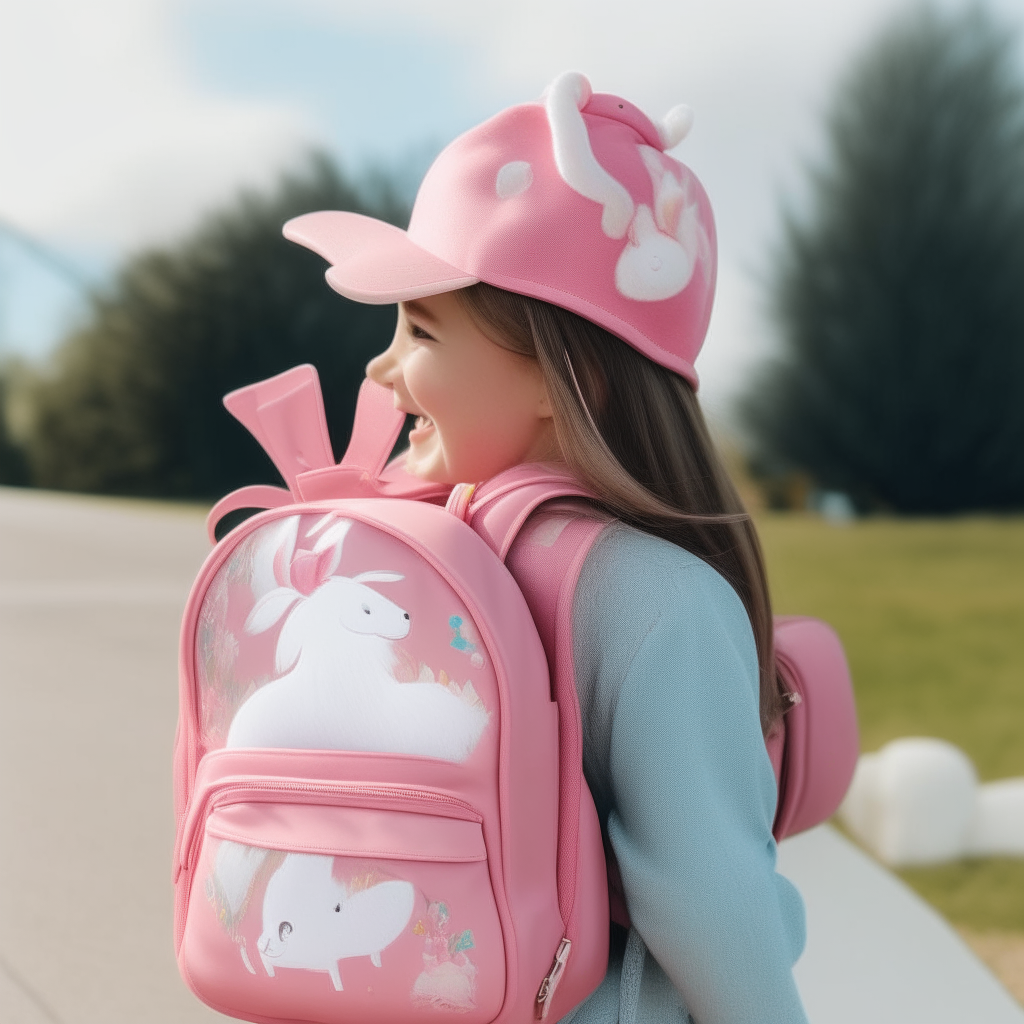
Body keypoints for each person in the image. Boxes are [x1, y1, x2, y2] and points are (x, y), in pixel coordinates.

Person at [284, 71, 808, 1024]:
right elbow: (708, 898)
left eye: (420, 328)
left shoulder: (416, 563)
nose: (379, 367)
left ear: (563, 379)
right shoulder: (658, 598)